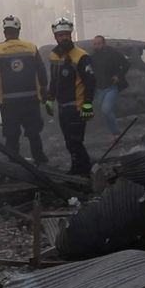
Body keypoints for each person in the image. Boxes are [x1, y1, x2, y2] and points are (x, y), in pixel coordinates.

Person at [0, 15, 49, 166]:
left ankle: (13, 164)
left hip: (8, 103)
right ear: (19, 30)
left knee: (11, 135)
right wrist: (44, 89)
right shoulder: (31, 48)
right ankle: (40, 160)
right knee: (33, 133)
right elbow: (41, 71)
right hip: (30, 100)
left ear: (4, 31)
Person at [45, 18, 96, 176]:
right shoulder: (54, 55)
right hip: (63, 107)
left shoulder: (81, 56)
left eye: (66, 35)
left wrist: (88, 103)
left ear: (70, 35)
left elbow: (90, 81)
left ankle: (83, 171)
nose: (63, 38)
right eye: (60, 35)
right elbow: (54, 80)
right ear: (55, 37)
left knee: (76, 141)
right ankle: (80, 169)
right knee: (69, 142)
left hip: (77, 106)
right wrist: (50, 99)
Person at [91, 35, 130, 138]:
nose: (97, 46)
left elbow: (126, 64)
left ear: (104, 44)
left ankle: (116, 133)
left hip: (111, 87)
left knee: (106, 109)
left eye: (99, 43)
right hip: (99, 89)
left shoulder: (112, 53)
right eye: (95, 44)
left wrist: (118, 76)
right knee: (104, 112)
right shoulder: (93, 57)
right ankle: (109, 132)